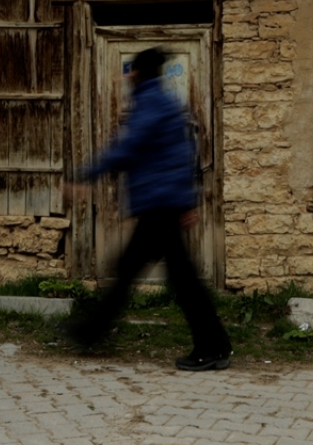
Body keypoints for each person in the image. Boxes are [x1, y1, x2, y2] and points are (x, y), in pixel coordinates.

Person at [63, 47, 232, 371]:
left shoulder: (151, 104)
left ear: (138, 73)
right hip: (164, 203)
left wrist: (86, 175)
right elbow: (185, 152)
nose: (126, 76)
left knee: (180, 281)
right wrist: (187, 200)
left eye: (131, 71)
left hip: (160, 205)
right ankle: (90, 333)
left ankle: (213, 347)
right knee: (132, 269)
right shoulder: (164, 103)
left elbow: (128, 149)